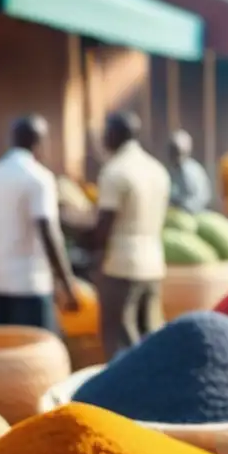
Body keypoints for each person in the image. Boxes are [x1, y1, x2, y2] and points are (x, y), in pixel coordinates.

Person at [88, 112, 170, 359]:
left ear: (114, 135)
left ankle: (121, 397)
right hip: (153, 262)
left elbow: (105, 225)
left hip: (121, 265)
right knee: (151, 337)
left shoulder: (115, 171)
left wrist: (90, 250)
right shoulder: (156, 169)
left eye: (106, 132)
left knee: (120, 341)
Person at [0, 116, 79, 331]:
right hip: (30, 284)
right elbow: (47, 231)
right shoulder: (39, 178)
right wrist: (68, 284)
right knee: (39, 352)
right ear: (40, 143)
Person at [167, 130, 213, 214]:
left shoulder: (191, 171)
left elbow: (202, 197)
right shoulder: (172, 171)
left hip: (193, 215)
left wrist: (183, 207)